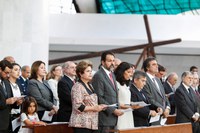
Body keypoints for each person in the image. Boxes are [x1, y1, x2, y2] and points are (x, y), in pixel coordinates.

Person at [69, 60, 106, 133]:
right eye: (88, 71)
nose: (90, 73)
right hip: (81, 124)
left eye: (91, 71)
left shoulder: (90, 85)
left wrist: (99, 106)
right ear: (80, 73)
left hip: (92, 124)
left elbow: (90, 102)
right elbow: (78, 106)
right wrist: (94, 108)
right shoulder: (78, 86)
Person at [92, 51, 123, 133]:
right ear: (103, 62)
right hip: (104, 119)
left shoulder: (112, 74)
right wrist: (113, 110)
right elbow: (99, 97)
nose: (112, 63)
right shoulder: (98, 76)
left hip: (113, 118)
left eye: (113, 61)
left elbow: (114, 94)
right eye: (109, 61)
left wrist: (118, 107)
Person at [142, 57, 170, 125]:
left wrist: (168, 108)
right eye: (154, 64)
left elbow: (164, 96)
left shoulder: (158, 80)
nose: (157, 66)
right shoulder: (144, 79)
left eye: (156, 64)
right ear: (147, 68)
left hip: (162, 116)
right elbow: (149, 98)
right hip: (153, 116)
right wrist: (163, 109)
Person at [4, 63, 24, 133]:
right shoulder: (5, 83)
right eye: (16, 70)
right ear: (10, 71)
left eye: (19, 70)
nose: (18, 72)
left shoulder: (19, 84)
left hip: (18, 115)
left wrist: (19, 102)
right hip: (8, 115)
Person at [114, 62, 134, 129]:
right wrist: (126, 105)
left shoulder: (125, 84)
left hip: (128, 113)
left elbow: (127, 99)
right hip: (121, 113)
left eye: (131, 72)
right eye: (128, 72)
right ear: (122, 72)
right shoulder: (116, 84)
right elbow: (114, 100)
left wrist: (133, 104)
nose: (130, 74)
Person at [0, 60, 17, 133]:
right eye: (6, 73)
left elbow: (9, 100)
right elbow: (6, 101)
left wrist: (16, 102)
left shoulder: (6, 82)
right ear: (0, 69)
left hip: (7, 123)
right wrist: (6, 102)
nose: (8, 75)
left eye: (9, 73)